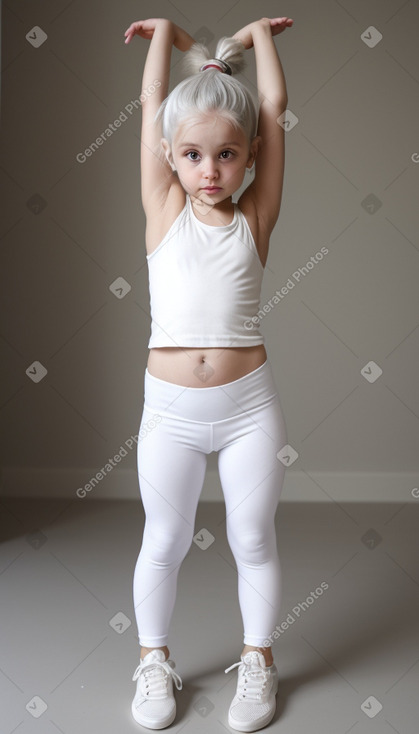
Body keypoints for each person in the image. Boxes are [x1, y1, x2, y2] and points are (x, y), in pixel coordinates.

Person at [124, 14, 293, 732]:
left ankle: (259, 661)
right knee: (162, 538)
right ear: (169, 155)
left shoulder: (255, 216)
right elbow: (151, 101)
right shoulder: (163, 211)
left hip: (248, 408)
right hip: (169, 412)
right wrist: (165, 32)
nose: (209, 171)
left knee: (252, 536)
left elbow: (275, 112)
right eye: (191, 155)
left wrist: (256, 41)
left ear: (249, 157)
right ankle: (152, 658)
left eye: (226, 155)